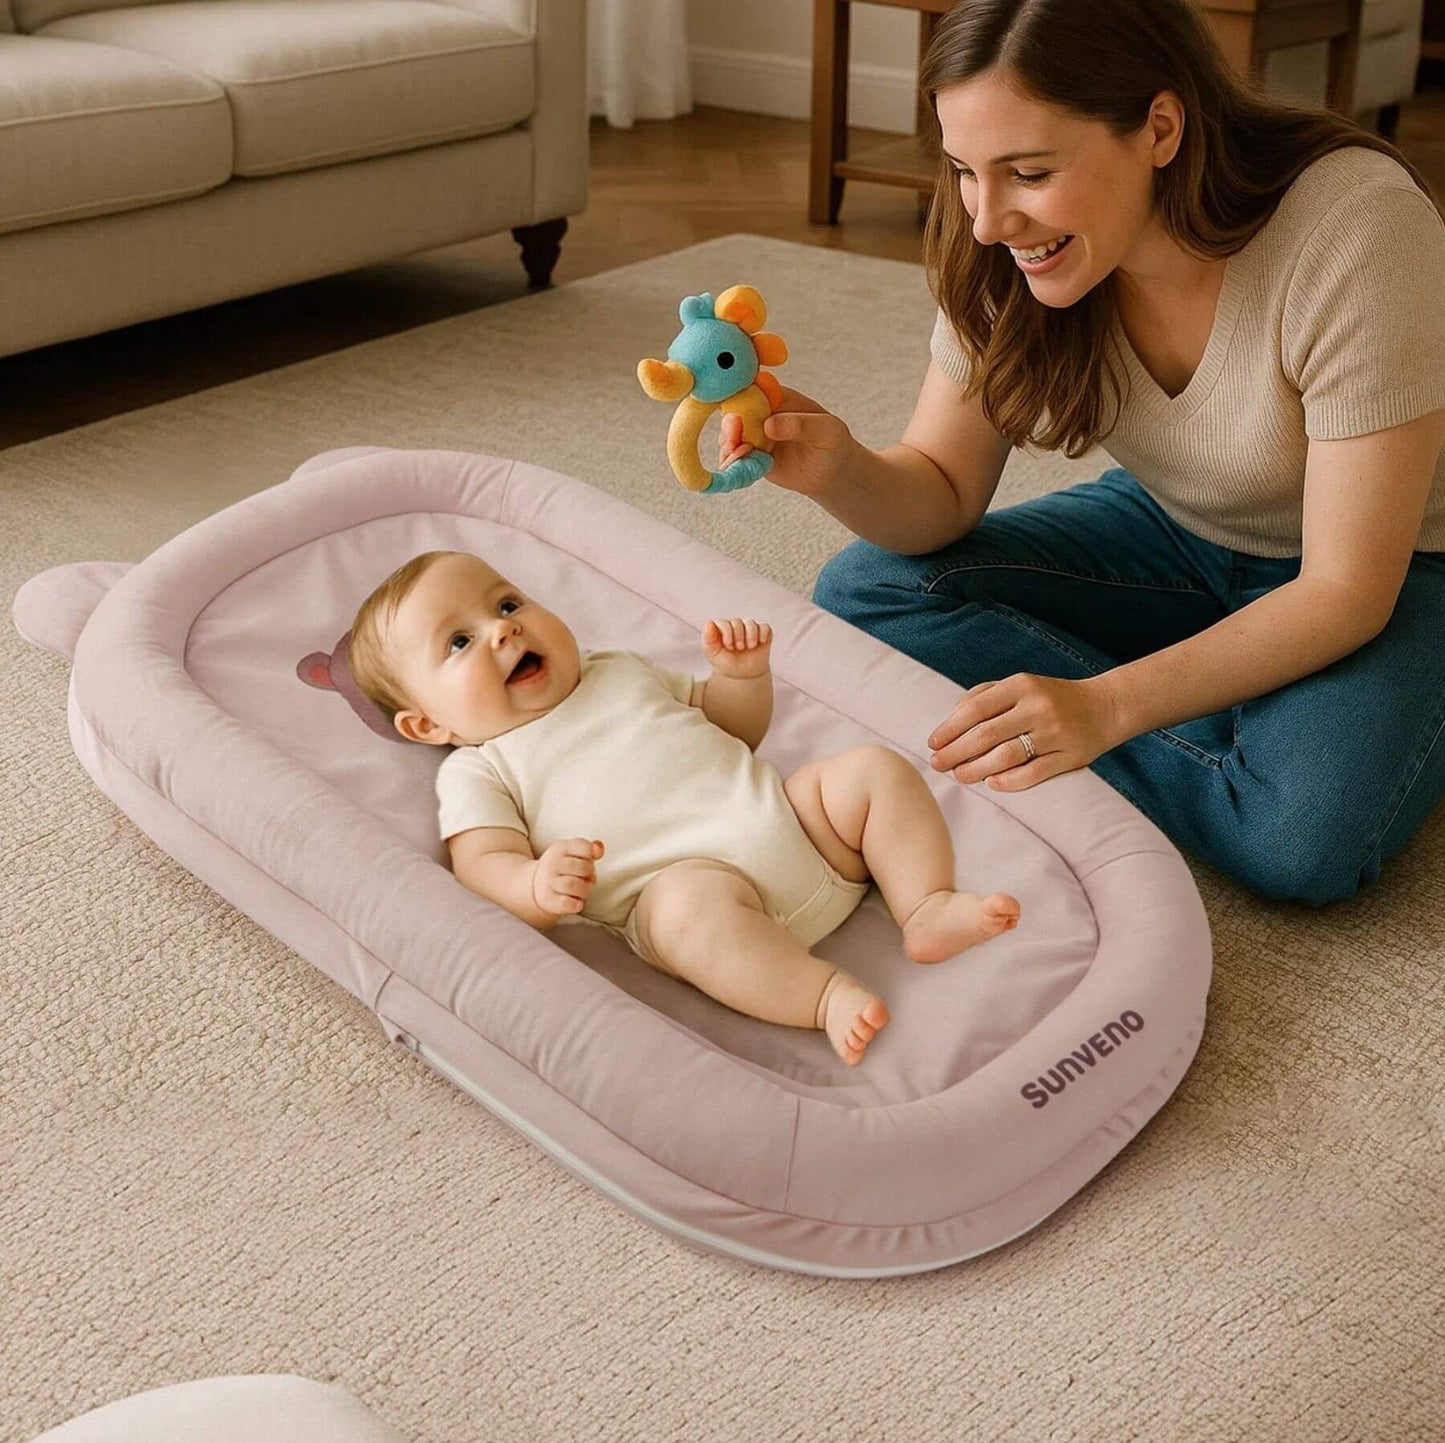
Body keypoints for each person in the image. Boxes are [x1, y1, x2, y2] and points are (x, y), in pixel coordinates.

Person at [720, 0, 1445, 906]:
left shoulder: (1355, 228)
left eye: (1027, 172)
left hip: (1400, 564)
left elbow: (1345, 590)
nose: (987, 221)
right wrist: (838, 469)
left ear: (1160, 127)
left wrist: (1106, 708)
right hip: (1178, 526)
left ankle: (1227, 711)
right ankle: (1227, 714)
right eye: (962, 172)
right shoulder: (1001, 246)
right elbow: (941, 490)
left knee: (1298, 838)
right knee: (866, 593)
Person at [347, 550, 1020, 1066]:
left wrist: (740, 679)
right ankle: (818, 994)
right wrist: (533, 883)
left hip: (793, 827)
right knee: (686, 912)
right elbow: (480, 863)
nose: (501, 630)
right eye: (458, 642)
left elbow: (731, 728)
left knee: (870, 770)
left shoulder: (617, 669)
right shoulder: (479, 766)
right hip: (690, 888)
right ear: (426, 726)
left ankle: (924, 904)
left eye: (506, 602)